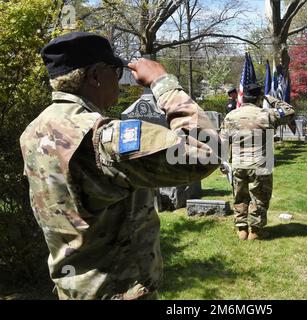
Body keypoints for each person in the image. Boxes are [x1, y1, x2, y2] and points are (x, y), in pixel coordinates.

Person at [19, 32, 220, 299]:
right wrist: (163, 83)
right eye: (115, 70)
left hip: (73, 289)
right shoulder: (102, 137)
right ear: (95, 76)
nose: (120, 79)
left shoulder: (34, 131)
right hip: (117, 290)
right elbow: (205, 153)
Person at [220, 83, 295, 240]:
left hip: (238, 163)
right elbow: (289, 111)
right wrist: (271, 98)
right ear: (259, 98)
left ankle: (241, 228)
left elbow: (223, 141)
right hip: (260, 163)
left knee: (239, 196)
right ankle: (255, 230)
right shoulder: (266, 114)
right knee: (259, 197)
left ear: (243, 96)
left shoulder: (231, 116)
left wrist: (222, 162)